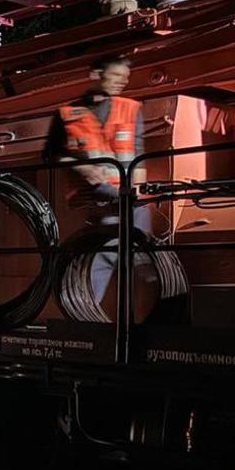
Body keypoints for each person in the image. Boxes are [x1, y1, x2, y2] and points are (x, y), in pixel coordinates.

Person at [44, 54, 152, 304]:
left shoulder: (131, 108)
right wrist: (82, 167)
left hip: (127, 198)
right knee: (105, 252)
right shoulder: (66, 114)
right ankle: (88, 316)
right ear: (96, 74)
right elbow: (50, 156)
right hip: (93, 194)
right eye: (115, 76)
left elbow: (138, 152)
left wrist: (137, 194)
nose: (121, 82)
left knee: (132, 256)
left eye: (124, 78)